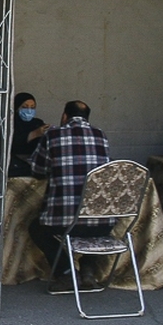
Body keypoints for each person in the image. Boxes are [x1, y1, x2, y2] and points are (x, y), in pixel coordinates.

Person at [27, 100, 111, 290]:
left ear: (65, 116)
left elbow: (38, 170)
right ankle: (88, 271)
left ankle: (65, 272)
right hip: (102, 223)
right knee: (96, 225)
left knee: (37, 229)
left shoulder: (53, 135)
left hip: (64, 223)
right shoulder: (101, 136)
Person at [9, 92, 50, 177]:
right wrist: (34, 134)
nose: (29, 110)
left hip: (35, 164)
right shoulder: (10, 123)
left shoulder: (38, 123)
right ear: (16, 108)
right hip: (15, 166)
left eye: (32, 107)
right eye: (24, 107)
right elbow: (12, 143)